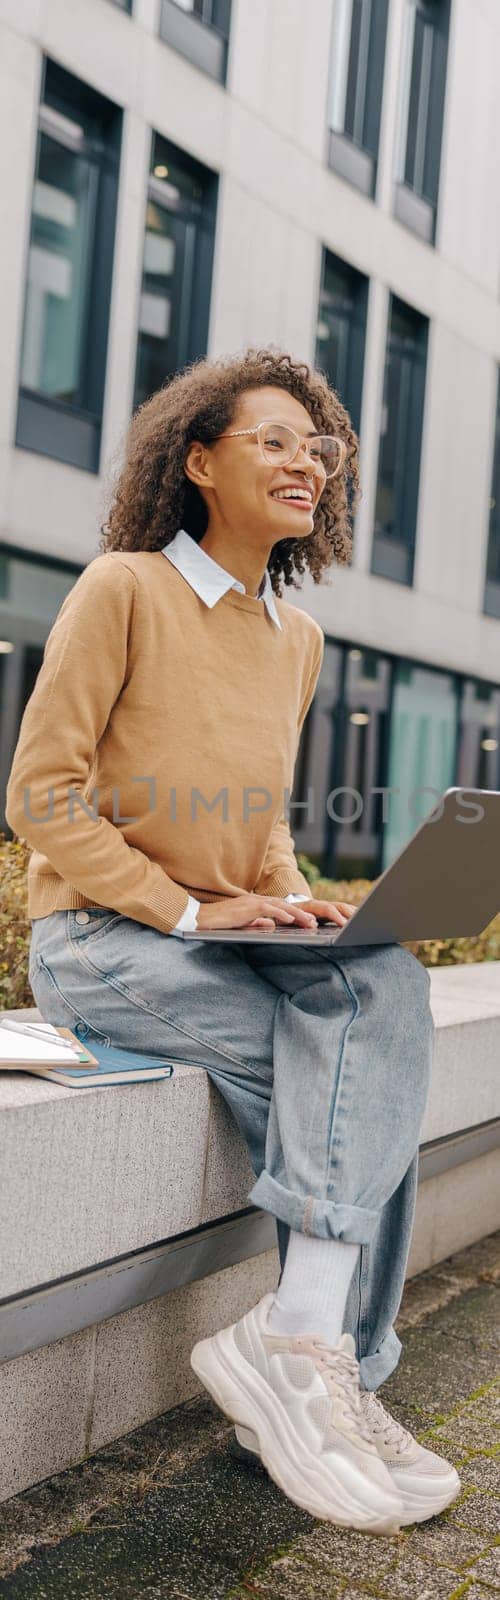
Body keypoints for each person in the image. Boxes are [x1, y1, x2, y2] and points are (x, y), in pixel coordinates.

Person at [5, 345, 460, 1534]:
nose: (302, 460)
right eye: (272, 440)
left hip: (220, 943)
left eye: (314, 447)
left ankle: (307, 1349)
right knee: (366, 1080)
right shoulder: (123, 588)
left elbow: (257, 828)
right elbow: (40, 797)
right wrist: (196, 910)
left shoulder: (293, 640)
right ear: (198, 460)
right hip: (106, 943)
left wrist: (295, 897)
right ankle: (332, 1362)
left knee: (379, 1009)